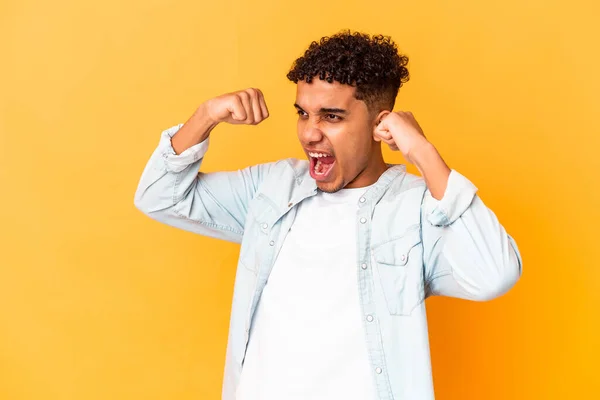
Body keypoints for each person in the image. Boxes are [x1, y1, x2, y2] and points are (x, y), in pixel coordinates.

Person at [134, 30, 522, 400]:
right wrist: (205, 116)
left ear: (380, 124)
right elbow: (157, 197)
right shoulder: (272, 188)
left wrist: (422, 152)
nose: (309, 133)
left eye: (331, 117)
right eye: (303, 113)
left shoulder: (417, 208)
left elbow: (494, 274)